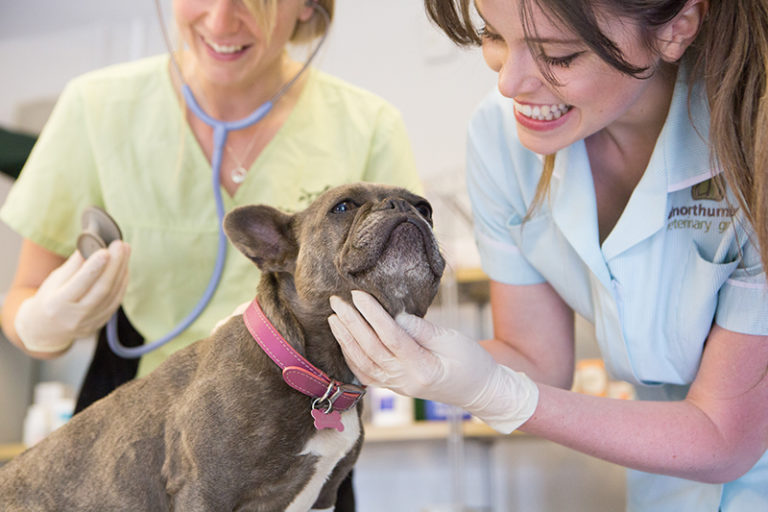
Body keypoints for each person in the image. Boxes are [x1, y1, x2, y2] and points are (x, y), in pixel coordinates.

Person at [327, 1, 768, 510]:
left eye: (558, 56)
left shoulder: (751, 146)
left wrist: (502, 396)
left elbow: (722, 436)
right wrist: (406, 356)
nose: (509, 83)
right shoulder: (502, 139)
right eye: (493, 36)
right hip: (667, 486)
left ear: (676, 29)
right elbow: (536, 360)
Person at [0, 0, 422, 509]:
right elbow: (22, 293)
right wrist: (40, 323)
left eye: (256, 2)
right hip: (140, 443)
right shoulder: (95, 107)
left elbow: (405, 280)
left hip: (309, 431)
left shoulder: (367, 123)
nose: (221, 21)